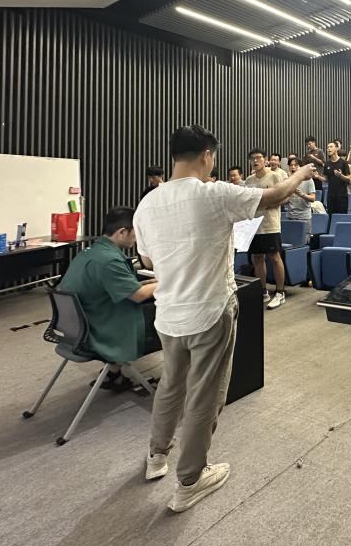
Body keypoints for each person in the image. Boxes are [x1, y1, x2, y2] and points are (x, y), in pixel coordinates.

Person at [134, 125, 314, 512]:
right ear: (206, 155)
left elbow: (147, 259)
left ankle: (156, 456)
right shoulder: (212, 194)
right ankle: (190, 479)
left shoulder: (147, 203)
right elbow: (275, 196)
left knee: (171, 385)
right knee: (204, 396)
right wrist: (301, 173)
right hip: (209, 311)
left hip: (168, 314)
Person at [59, 207, 160, 390]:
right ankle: (174, 381)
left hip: (78, 327)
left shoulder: (92, 252)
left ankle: (114, 373)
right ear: (122, 232)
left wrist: (151, 282)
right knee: (171, 317)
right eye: (136, 233)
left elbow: (122, 287)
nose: (138, 239)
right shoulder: (109, 260)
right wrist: (169, 281)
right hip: (98, 330)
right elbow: (138, 295)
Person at [244, 149, 289, 309]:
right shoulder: (249, 180)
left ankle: (280, 292)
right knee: (257, 258)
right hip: (254, 224)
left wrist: (268, 204)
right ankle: (263, 291)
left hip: (270, 224)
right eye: (252, 159)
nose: (255, 161)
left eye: (258, 158)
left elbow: (285, 197)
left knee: (275, 257)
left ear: (265, 160)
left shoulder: (274, 176)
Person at [285, 156, 316, 245]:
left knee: (304, 244)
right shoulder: (287, 180)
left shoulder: (308, 180)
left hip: (304, 217)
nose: (293, 167)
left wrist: (301, 194)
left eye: (296, 165)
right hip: (291, 216)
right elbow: (285, 201)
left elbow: (313, 198)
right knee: (291, 243)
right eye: (291, 165)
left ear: (301, 167)